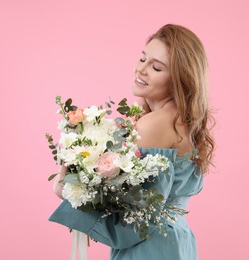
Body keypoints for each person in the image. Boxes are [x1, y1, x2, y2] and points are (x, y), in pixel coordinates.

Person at [49, 24, 215, 260]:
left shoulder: (153, 125)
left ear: (179, 79)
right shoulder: (183, 122)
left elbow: (136, 223)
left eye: (156, 67)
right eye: (143, 58)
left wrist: (68, 190)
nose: (142, 69)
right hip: (178, 243)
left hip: (150, 250)